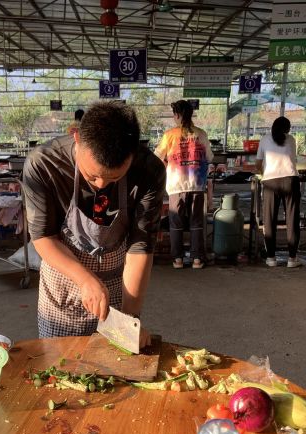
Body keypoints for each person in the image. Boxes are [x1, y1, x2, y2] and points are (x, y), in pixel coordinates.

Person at [23, 101, 165, 340]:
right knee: (59, 359)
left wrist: (129, 320)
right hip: (62, 287)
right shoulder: (44, 164)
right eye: (92, 176)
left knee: (116, 355)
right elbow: (43, 237)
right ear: (77, 138)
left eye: (114, 178)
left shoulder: (149, 170)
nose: (101, 185)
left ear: (133, 153)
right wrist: (85, 279)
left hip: (116, 285)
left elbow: (140, 248)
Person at [155, 100, 213, 269]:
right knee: (196, 222)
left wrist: (168, 164)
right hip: (197, 184)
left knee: (176, 223)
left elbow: (157, 157)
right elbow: (209, 157)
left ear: (177, 115)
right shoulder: (201, 134)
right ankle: (197, 260)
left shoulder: (169, 135)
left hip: (176, 185)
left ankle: (178, 260)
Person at [256, 116, 301, 268]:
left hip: (270, 182)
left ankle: (271, 258)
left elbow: (258, 163)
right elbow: (293, 159)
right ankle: (292, 259)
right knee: (292, 219)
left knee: (269, 219)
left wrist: (263, 171)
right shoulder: (291, 140)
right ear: (287, 129)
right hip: (291, 180)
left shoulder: (264, 139)